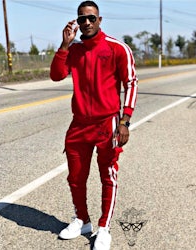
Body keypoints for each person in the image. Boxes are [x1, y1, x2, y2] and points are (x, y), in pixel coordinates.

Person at [50, 1, 138, 249]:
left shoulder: (117, 48)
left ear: (100, 20)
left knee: (107, 176)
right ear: (77, 23)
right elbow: (56, 75)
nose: (86, 23)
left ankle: (103, 228)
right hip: (79, 124)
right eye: (81, 19)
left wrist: (125, 120)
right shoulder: (75, 50)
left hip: (107, 123)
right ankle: (82, 219)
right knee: (76, 177)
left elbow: (131, 83)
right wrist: (65, 45)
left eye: (91, 18)